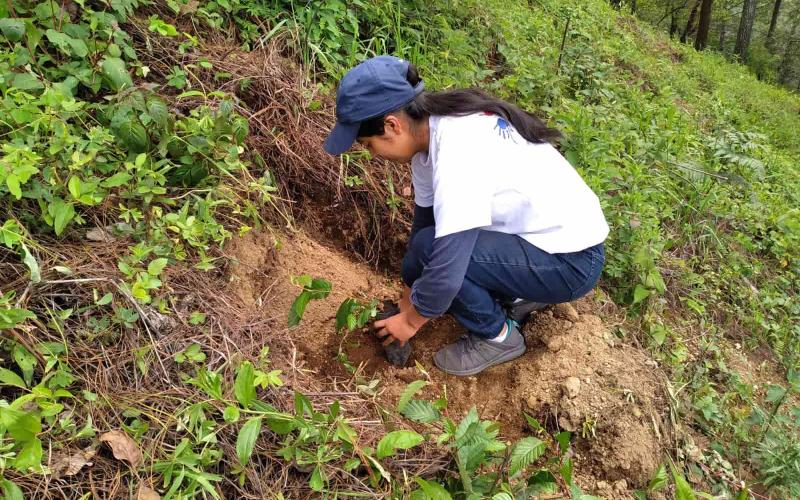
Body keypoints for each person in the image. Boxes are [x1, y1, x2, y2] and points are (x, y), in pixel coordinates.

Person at [323, 56, 608, 376]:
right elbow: (424, 229)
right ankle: (518, 295)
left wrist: (410, 321)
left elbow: (445, 271)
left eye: (367, 144)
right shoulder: (431, 139)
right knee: (427, 244)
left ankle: (499, 337)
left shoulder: (459, 150)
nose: (371, 154)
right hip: (540, 243)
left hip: (571, 263)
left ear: (392, 125)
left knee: (443, 258)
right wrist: (408, 294)